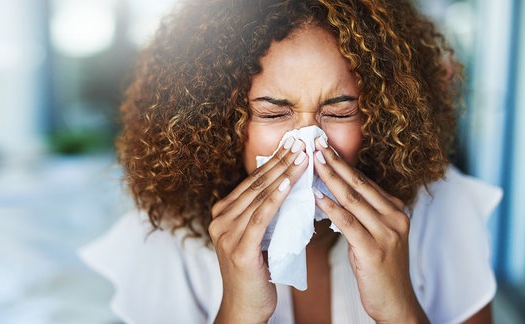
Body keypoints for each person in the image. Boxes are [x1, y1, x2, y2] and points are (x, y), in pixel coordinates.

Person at [80, 0, 502, 323]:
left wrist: (399, 309)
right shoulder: (163, 241)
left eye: (338, 112)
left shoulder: (442, 210)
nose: (307, 143)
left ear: (380, 115)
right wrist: (238, 313)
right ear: (220, 120)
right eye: (272, 112)